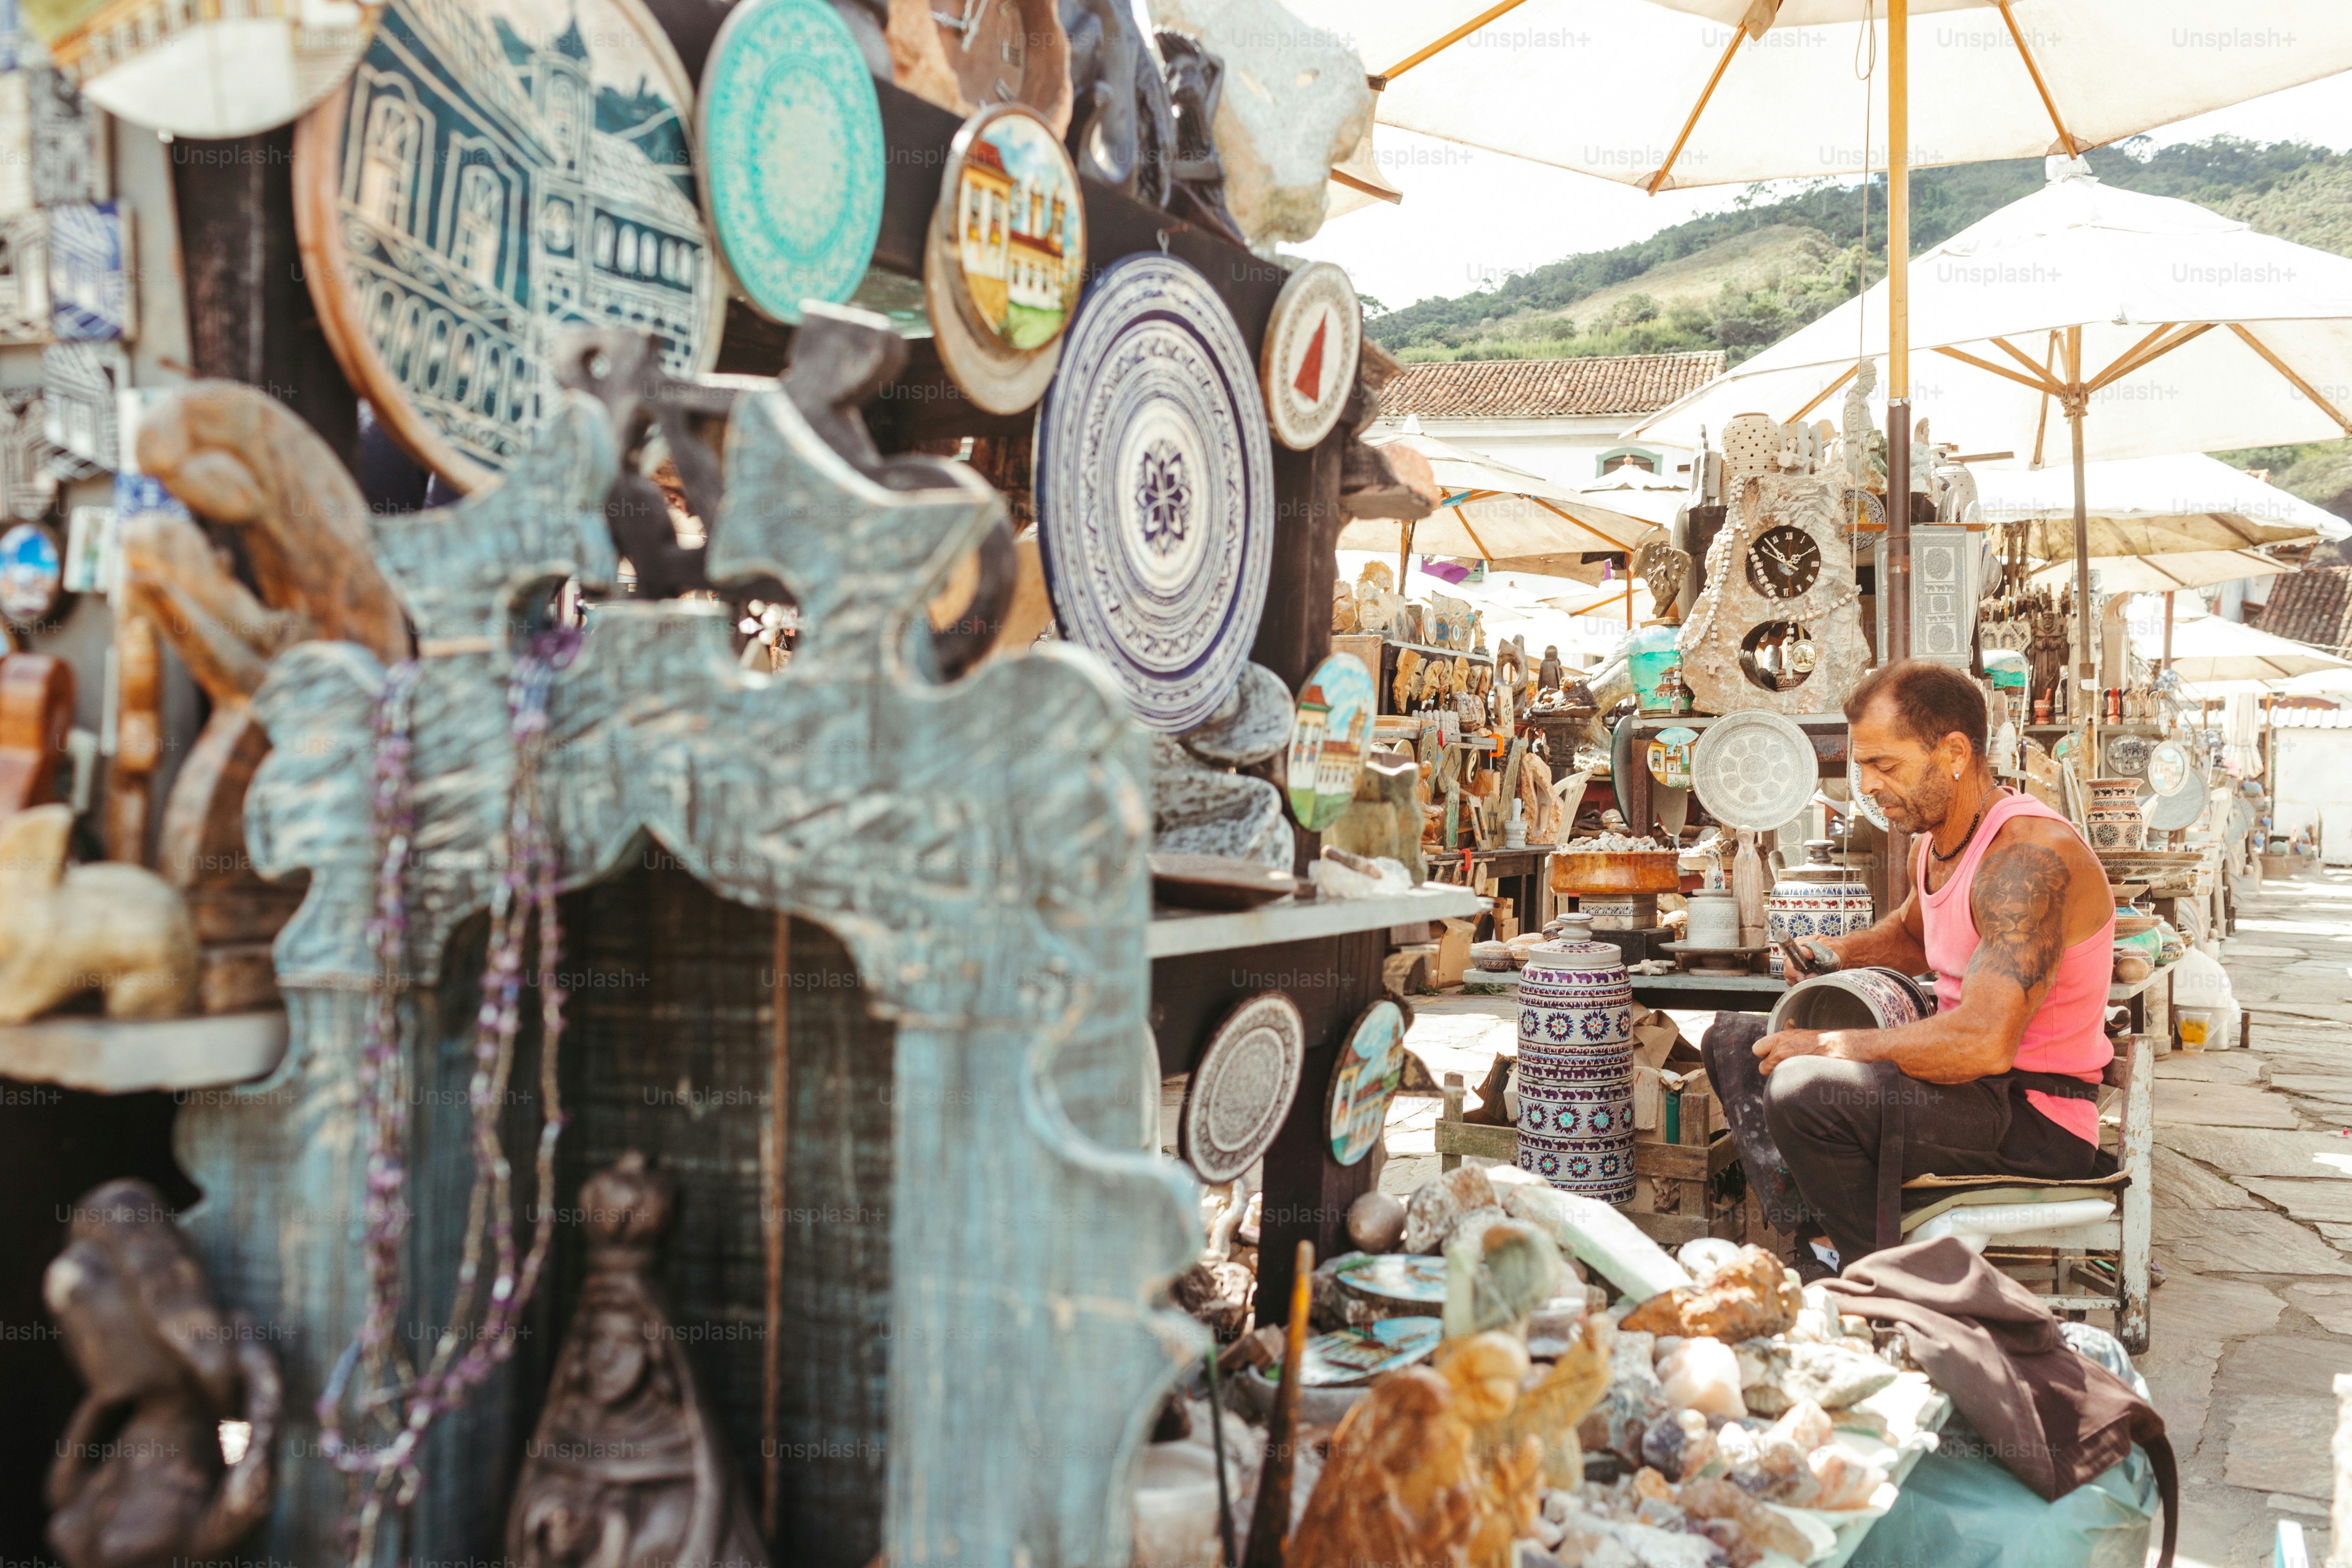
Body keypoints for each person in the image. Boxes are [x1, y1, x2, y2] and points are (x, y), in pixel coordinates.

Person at [1732, 659, 2116, 1273]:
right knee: (1736, 1043)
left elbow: (1986, 1043)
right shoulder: (1935, 845)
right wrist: (1837, 954)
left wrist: (1831, 1045)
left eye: (1886, 765)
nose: (1870, 785)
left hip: (2031, 1115)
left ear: (1955, 751)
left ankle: (1885, 1280)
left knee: (1806, 1088)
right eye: (1862, 766)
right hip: (1970, 1092)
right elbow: (1914, 934)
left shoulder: (2025, 860)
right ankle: (1826, 1241)